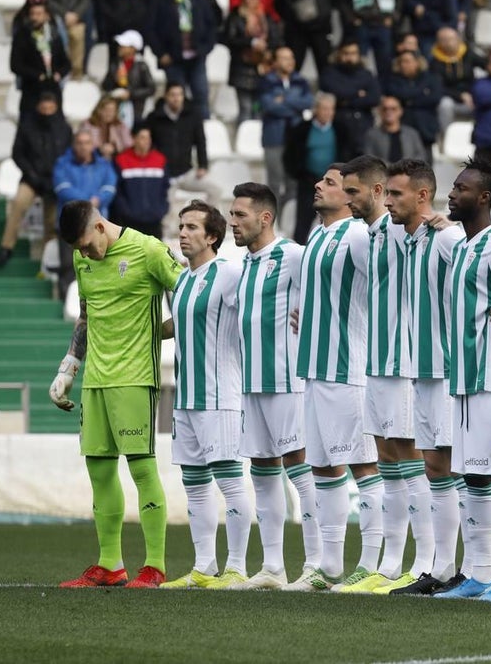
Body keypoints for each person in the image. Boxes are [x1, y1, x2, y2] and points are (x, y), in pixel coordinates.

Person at [49, 199, 184, 589]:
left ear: (101, 227)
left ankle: (155, 566)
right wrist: (69, 368)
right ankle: (110, 565)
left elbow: (191, 299)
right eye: (79, 251)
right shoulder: (82, 258)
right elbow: (87, 316)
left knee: (141, 468)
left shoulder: (148, 251)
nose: (86, 254)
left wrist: (157, 332)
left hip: (135, 377)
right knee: (100, 469)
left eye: (88, 245)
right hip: (95, 379)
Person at [325, 156, 425, 594]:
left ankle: (425, 565)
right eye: (343, 192)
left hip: (405, 363)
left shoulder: (405, 234)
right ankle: (388, 565)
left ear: (378, 190)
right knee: (388, 462)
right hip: (377, 362)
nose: (347, 200)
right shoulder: (368, 237)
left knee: (412, 460)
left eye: (353, 192)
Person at [281, 163, 381, 592]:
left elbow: (385, 288)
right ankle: (329, 565)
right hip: (315, 371)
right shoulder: (317, 235)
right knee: (323, 469)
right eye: (319, 179)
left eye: (330, 182)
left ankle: (374, 564)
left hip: (349, 369)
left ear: (351, 194)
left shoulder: (358, 235)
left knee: (366, 468)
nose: (318, 185)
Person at [432, 156, 491, 601]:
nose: (451, 194)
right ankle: (480, 574)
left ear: (484, 198)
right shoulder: (463, 247)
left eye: (460, 189)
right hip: (464, 378)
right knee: (472, 477)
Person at [225, 183, 322, 588]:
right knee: (262, 471)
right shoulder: (242, 264)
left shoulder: (295, 255)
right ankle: (272, 567)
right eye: (231, 215)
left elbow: (330, 291)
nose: (233, 223)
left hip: (287, 381)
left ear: (264, 218)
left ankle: (318, 563)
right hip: (252, 382)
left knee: (302, 470)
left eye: (240, 216)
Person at [378, 159, 466, 596]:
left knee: (463, 469)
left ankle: (478, 569)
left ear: (423, 196)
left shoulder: (448, 238)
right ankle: (444, 569)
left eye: (395, 194)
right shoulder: (412, 240)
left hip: (451, 371)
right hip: (422, 371)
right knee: (435, 467)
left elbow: (490, 275)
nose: (387, 201)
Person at [155, 200, 252, 590]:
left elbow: (252, 313)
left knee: (230, 483)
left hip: (220, 396)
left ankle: (237, 568)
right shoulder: (182, 281)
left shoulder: (228, 274)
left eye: (192, 227)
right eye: (181, 226)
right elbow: (175, 326)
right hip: (186, 398)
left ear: (213, 236)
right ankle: (204, 566)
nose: (183, 233)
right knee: (194, 484)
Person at [0, 92, 71, 268]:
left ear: (56, 108)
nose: (47, 112)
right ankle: (6, 246)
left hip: (54, 179)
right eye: (44, 108)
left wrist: (57, 178)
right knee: (19, 203)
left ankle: (48, 255)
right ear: (38, 107)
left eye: (50, 109)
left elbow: (67, 156)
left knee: (51, 219)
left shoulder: (64, 128)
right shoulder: (27, 126)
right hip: (31, 177)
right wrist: (32, 174)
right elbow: (17, 154)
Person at [146, 0, 221, 120]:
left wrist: (206, 47)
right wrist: (161, 53)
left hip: (196, 56)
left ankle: (203, 130)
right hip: (173, 57)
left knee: (201, 95)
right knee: (176, 98)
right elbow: (150, 29)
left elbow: (212, 23)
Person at [53, 131, 118, 295]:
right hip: (70, 223)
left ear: (92, 145)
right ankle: (66, 300)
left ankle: (96, 300)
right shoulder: (62, 164)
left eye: (87, 142)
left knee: (97, 264)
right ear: (74, 145)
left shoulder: (103, 164)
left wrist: (99, 198)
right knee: (69, 265)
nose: (83, 146)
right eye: (79, 143)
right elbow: (62, 188)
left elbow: (110, 187)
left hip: (97, 226)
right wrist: (88, 202)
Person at [284, 93, 351, 242]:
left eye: (331, 109)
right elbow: (290, 156)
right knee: (303, 223)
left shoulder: (341, 129)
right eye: (324, 109)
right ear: (316, 110)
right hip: (308, 183)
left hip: (336, 185)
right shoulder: (302, 129)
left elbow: (348, 153)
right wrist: (300, 174)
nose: (328, 113)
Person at [222, 0, 282, 123]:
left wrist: (266, 47)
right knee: (245, 107)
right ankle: (243, 138)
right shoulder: (235, 17)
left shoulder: (266, 18)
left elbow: (277, 39)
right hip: (241, 68)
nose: (248, 0)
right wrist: (251, 42)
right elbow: (229, 39)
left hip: (262, 68)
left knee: (258, 108)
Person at [260, 47, 314, 203]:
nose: (289, 62)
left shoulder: (301, 81)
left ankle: (288, 221)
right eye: (284, 58)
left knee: (293, 182)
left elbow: (308, 103)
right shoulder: (266, 81)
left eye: (291, 58)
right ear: (275, 62)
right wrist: (294, 105)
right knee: (274, 183)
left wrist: (283, 99)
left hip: (295, 139)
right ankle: (272, 221)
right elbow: (268, 105)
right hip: (273, 138)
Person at [10, 0, 70, 119]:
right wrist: (37, 75)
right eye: (32, 14)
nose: (35, 17)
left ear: (47, 16)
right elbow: (15, 65)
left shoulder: (54, 36)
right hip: (31, 89)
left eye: (39, 14)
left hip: (53, 88)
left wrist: (59, 74)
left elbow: (66, 62)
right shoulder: (22, 36)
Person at [143, 83, 208, 184]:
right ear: (166, 96)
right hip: (162, 172)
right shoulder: (154, 117)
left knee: (215, 190)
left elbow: (201, 142)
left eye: (179, 95)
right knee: (166, 198)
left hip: (186, 172)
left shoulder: (193, 116)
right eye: (172, 95)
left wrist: (202, 165)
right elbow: (147, 143)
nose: (176, 98)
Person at [111, 127, 167, 238]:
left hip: (154, 221)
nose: (146, 141)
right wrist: (126, 211)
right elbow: (117, 190)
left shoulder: (160, 159)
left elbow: (165, 188)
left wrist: (161, 210)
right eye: (142, 137)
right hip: (129, 222)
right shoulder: (121, 160)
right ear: (134, 138)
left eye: (148, 137)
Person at [383, 49, 443, 150]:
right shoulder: (393, 80)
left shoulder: (431, 78)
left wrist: (408, 101)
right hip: (403, 129)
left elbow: (435, 98)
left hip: (426, 129)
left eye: (407, 61)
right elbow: (396, 94)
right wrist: (422, 92)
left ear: (417, 62)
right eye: (401, 61)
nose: (403, 65)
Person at [431, 27, 483, 131]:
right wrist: (460, 95)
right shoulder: (434, 62)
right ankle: (445, 136)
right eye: (444, 40)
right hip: (450, 98)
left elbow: (487, 65)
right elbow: (438, 87)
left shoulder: (467, 53)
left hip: (472, 96)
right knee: (445, 104)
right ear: (439, 43)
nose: (449, 43)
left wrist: (477, 93)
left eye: (452, 39)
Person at [102, 30, 155, 126]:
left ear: (133, 49)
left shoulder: (141, 66)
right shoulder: (115, 64)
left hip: (136, 109)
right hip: (117, 109)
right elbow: (105, 86)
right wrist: (114, 79)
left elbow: (151, 89)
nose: (120, 47)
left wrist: (131, 94)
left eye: (124, 45)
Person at [364, 96, 429, 164]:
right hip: (382, 173)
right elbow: (369, 158)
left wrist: (407, 168)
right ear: (379, 111)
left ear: (400, 111)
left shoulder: (412, 134)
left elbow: (421, 155)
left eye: (393, 109)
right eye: (385, 109)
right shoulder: (371, 135)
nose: (389, 112)